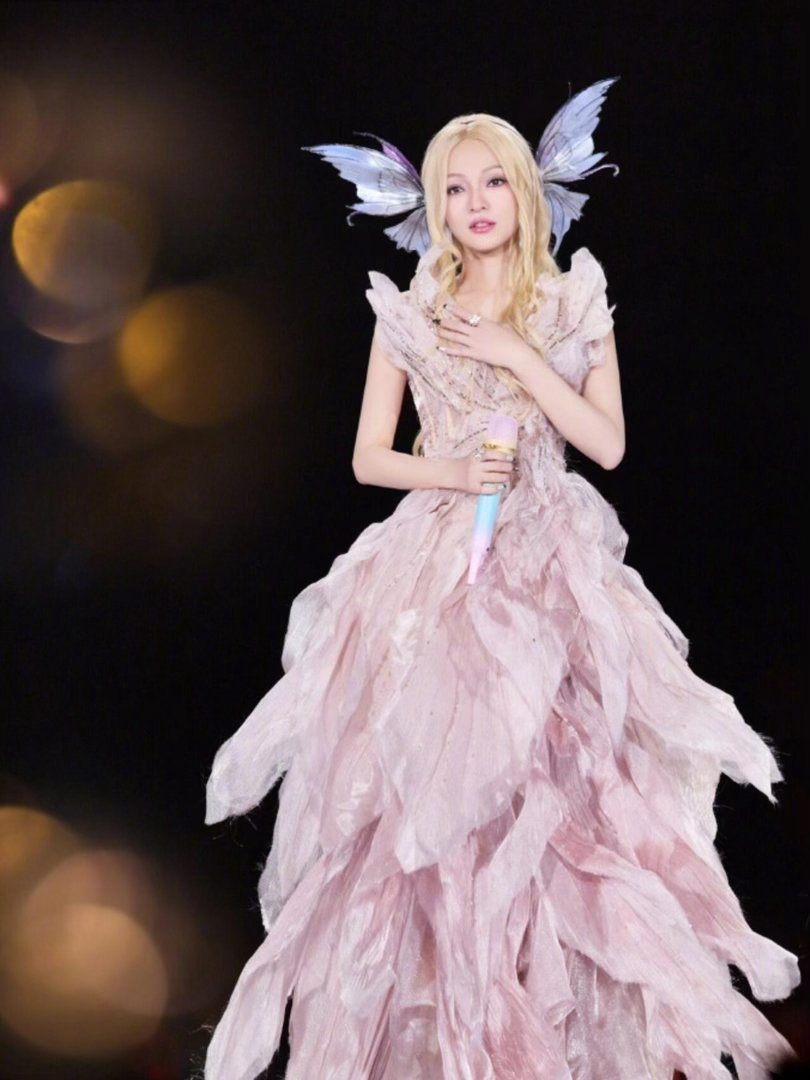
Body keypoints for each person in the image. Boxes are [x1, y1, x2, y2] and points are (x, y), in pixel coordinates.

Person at [203, 103, 800, 1080]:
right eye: (454, 186)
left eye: (492, 182)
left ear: (526, 191)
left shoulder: (571, 303)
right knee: (427, 809)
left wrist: (519, 356)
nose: (475, 203)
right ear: (431, 206)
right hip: (435, 575)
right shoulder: (413, 314)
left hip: (552, 574)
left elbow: (606, 444)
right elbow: (368, 457)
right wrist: (452, 472)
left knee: (564, 804)